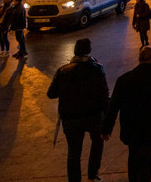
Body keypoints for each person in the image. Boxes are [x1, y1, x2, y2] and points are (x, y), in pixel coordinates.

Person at [102, 46, 151, 182]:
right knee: (147, 160)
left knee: (133, 157)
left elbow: (114, 106)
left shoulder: (124, 80)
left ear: (138, 58)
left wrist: (106, 128)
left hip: (131, 128)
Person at [47, 38, 109, 182]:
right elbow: (104, 95)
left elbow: (51, 94)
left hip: (71, 119)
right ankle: (93, 175)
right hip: (93, 116)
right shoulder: (97, 69)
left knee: (73, 153)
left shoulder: (62, 71)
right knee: (97, 144)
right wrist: (106, 120)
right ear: (89, 51)